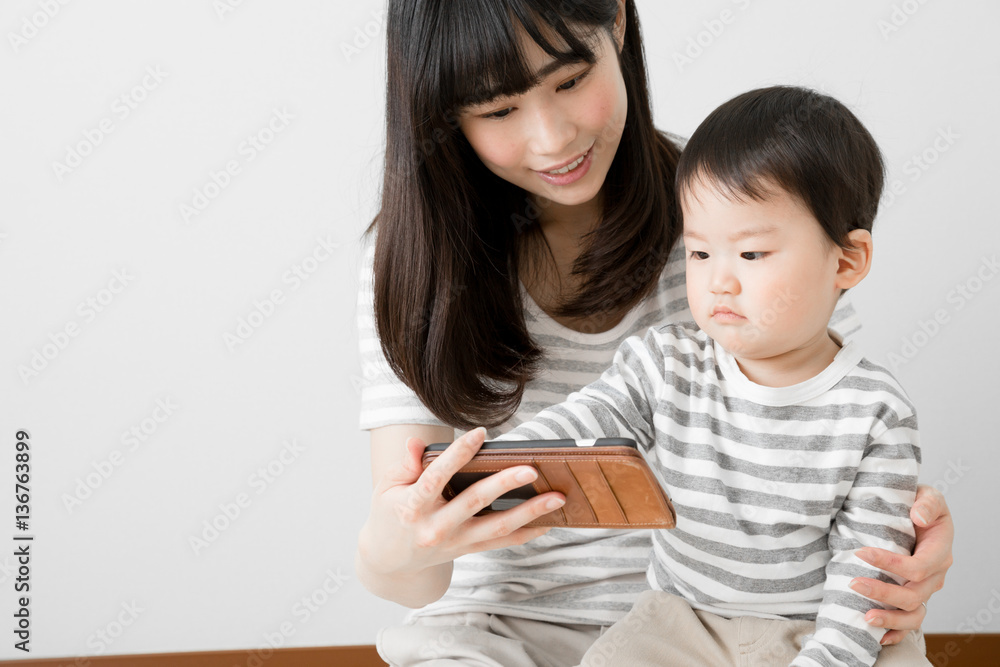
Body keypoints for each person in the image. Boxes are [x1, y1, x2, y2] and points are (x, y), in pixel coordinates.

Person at [355, 1, 954, 665]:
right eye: (498, 110)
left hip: (744, 616)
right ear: (443, 111)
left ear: (616, 22)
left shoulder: (742, 204)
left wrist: (905, 530)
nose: (552, 138)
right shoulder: (417, 261)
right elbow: (410, 565)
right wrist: (397, 540)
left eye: (570, 79)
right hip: (500, 626)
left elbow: (829, 431)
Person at [485, 85, 931, 666]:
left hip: (816, 626)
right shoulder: (667, 363)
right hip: (680, 621)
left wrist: (825, 658)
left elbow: (865, 573)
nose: (719, 281)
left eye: (751, 255)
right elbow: (586, 419)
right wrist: (490, 464)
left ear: (846, 260)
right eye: (699, 253)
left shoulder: (875, 411)